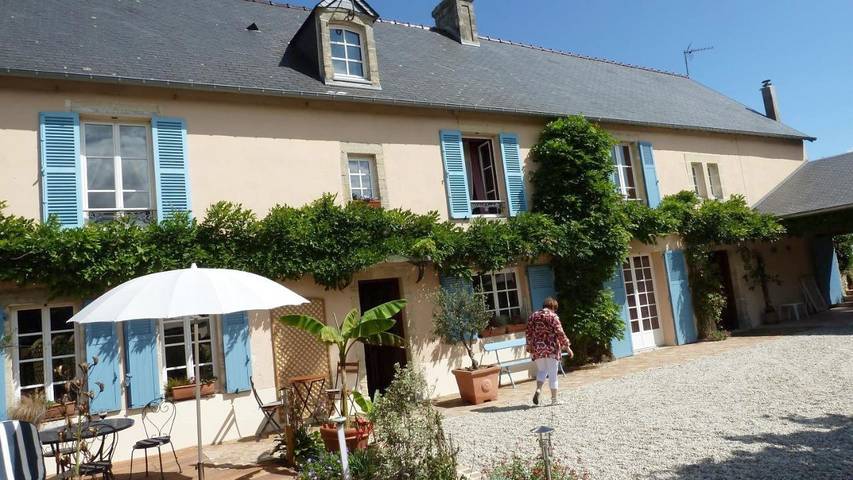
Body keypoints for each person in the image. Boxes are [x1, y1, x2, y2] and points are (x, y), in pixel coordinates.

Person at [525, 297, 573, 405]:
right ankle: (554, 400)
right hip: (552, 348)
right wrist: (567, 347)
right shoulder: (553, 316)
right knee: (553, 374)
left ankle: (538, 389)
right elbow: (560, 333)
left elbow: (528, 332)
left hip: (537, 348)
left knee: (542, 370)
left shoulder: (533, 316)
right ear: (553, 307)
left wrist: (528, 345)